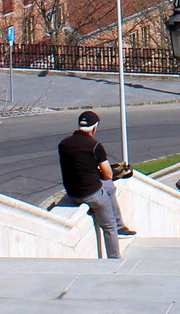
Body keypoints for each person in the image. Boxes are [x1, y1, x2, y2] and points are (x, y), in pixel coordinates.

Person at [57, 110, 135, 258]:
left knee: (110, 187)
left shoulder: (63, 144)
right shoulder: (95, 146)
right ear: (94, 128)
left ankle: (121, 226)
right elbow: (108, 174)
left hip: (72, 193)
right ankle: (115, 259)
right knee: (108, 226)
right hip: (92, 194)